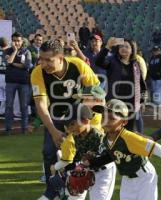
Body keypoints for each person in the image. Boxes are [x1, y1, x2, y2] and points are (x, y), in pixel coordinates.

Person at [30, 39, 100, 200]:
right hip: (57, 116)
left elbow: (97, 93)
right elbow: (41, 105)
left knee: (80, 153)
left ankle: (75, 187)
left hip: (79, 117)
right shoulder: (37, 72)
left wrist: (91, 126)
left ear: (61, 57)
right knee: (49, 152)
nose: (43, 63)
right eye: (41, 59)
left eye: (48, 60)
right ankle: (52, 190)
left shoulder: (78, 65)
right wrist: (54, 131)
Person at [91, 99, 161, 200]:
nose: (106, 122)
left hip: (144, 177)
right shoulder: (106, 138)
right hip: (127, 178)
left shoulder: (129, 137)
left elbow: (155, 147)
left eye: (111, 118)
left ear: (124, 122)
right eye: (103, 117)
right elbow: (111, 156)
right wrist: (89, 164)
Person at [50, 104, 115, 200]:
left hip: (103, 172)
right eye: (67, 125)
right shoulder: (76, 136)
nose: (69, 129)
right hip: (87, 170)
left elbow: (102, 158)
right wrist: (67, 171)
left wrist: (82, 167)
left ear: (85, 121)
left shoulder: (97, 137)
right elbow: (77, 158)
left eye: (72, 124)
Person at [95, 37, 147, 132]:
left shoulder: (136, 65)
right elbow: (98, 62)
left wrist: (142, 102)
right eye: (121, 46)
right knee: (113, 129)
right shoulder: (112, 61)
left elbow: (142, 86)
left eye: (127, 47)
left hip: (131, 105)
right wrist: (107, 47)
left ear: (132, 50)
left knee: (128, 131)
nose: (123, 48)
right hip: (114, 103)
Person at [4, 32, 32, 134]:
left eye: (18, 41)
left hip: (24, 82)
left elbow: (27, 65)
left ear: (22, 41)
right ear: (12, 41)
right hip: (10, 82)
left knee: (24, 106)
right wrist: (15, 51)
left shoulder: (27, 52)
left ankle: (24, 128)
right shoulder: (7, 51)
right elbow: (8, 62)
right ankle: (8, 129)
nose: (16, 43)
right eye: (15, 40)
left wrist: (13, 64)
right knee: (9, 106)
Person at [0, 37, 9, 115]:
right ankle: (2, 111)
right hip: (5, 75)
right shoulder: (9, 52)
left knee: (1, 95)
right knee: (6, 95)